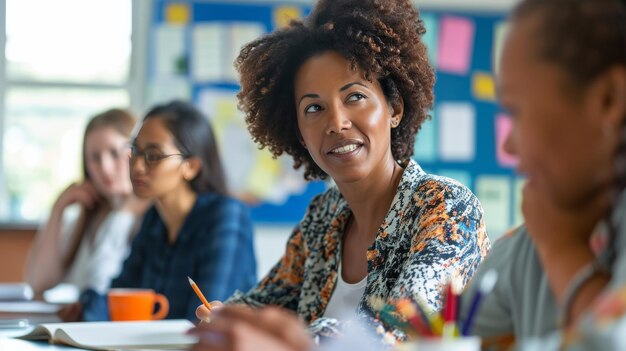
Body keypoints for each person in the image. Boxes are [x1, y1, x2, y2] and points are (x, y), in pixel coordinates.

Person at [193, 0, 490, 346]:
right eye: (314, 108)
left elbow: (406, 323)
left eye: (355, 97)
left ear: (394, 108)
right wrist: (227, 316)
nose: (336, 123)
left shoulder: (447, 208)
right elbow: (264, 304)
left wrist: (291, 340)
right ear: (300, 134)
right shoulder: (322, 218)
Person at [456, 0, 626, 348]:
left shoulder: (552, 233)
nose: (508, 147)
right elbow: (459, 331)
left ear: (608, 99)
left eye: (516, 111)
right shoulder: (542, 229)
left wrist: (562, 250)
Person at [65, 100, 257, 322]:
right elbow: (120, 297)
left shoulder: (226, 216)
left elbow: (206, 320)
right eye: (135, 151)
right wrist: (85, 307)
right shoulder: (154, 220)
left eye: (153, 156)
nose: (136, 166)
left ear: (191, 167)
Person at [25, 108, 148, 298]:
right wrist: (58, 208)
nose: (105, 168)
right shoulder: (84, 218)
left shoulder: (152, 219)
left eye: (115, 153)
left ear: (137, 152)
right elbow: (39, 283)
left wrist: (122, 213)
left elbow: (101, 286)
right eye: (94, 158)